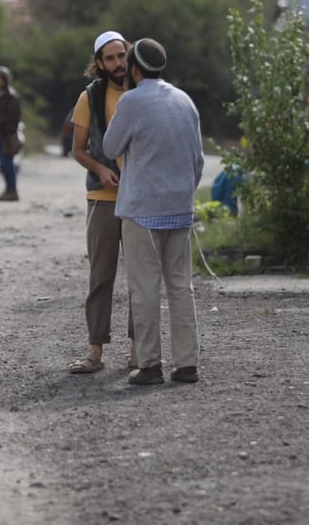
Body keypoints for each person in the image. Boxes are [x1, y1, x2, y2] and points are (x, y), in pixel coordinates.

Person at [102, 38, 205, 385]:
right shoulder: (184, 100)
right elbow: (198, 160)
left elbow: (110, 146)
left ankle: (149, 365)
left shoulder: (131, 101)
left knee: (145, 288)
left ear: (133, 68)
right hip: (180, 208)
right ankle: (187, 363)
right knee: (180, 286)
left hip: (142, 211)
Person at [66, 31, 135, 374]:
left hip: (140, 198)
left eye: (121, 55)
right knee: (101, 276)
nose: (119, 63)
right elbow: (78, 149)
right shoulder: (89, 98)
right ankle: (95, 352)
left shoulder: (142, 90)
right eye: (110, 58)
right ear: (98, 63)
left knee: (141, 276)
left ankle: (140, 351)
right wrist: (100, 169)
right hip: (102, 198)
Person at [0, 65, 22, 202]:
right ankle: (8, 189)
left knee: (7, 164)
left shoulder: (10, 95)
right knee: (3, 164)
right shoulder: (3, 94)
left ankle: (12, 190)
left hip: (8, 135)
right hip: (2, 134)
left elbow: (13, 116)